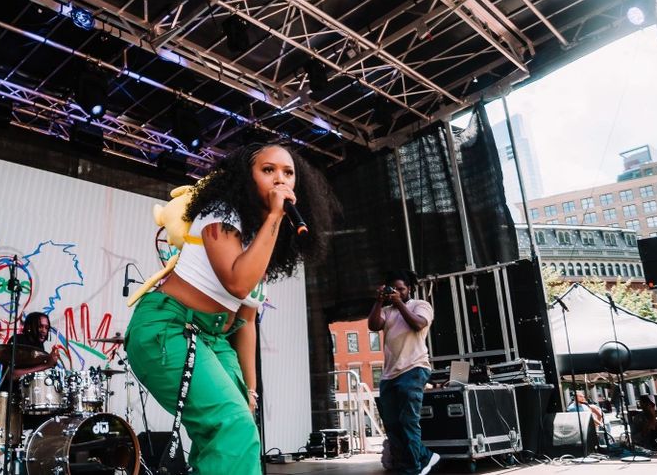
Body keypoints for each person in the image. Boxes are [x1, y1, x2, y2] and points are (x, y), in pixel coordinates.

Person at [125, 142, 338, 475]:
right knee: (232, 427)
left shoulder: (259, 236)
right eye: (268, 170)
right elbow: (237, 283)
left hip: (213, 337)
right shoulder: (220, 212)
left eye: (288, 173)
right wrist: (275, 216)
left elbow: (248, 320)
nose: (279, 180)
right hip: (169, 326)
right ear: (246, 176)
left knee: (238, 427)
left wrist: (250, 389)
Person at [369, 270, 439, 475]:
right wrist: (379, 301)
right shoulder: (386, 310)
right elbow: (373, 325)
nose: (397, 292)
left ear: (409, 289)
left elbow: (418, 324)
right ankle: (425, 456)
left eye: (401, 289)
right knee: (393, 425)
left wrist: (399, 303)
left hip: (414, 368)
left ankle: (412, 469)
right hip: (390, 374)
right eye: (393, 289)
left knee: (408, 420)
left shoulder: (420, 305)